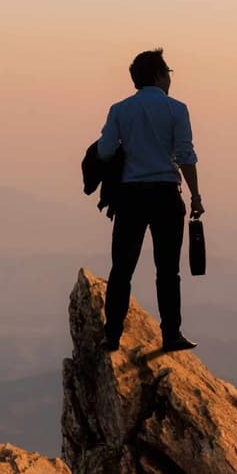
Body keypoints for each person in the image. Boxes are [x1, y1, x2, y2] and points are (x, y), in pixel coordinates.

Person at [88, 49, 203, 351]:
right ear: (159, 75)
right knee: (167, 270)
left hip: (131, 196)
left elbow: (105, 151)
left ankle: (112, 335)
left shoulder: (120, 110)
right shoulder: (177, 109)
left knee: (122, 267)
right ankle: (172, 335)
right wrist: (196, 195)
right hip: (166, 193)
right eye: (167, 72)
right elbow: (185, 154)